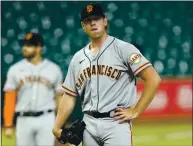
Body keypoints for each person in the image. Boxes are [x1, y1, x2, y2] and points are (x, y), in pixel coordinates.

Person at [53, 3, 161, 146]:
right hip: (88, 124)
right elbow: (69, 95)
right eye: (87, 21)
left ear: (105, 21)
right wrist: (57, 126)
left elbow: (153, 79)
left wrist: (135, 111)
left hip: (116, 123)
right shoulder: (78, 58)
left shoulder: (124, 49)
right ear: (82, 26)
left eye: (96, 18)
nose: (92, 23)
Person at [3, 32, 64, 146]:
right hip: (23, 119)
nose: (25, 48)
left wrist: (61, 124)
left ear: (39, 48)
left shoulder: (54, 69)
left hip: (47, 118)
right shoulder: (15, 69)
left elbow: (59, 98)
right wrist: (8, 124)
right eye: (24, 45)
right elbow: (10, 98)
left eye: (29, 45)